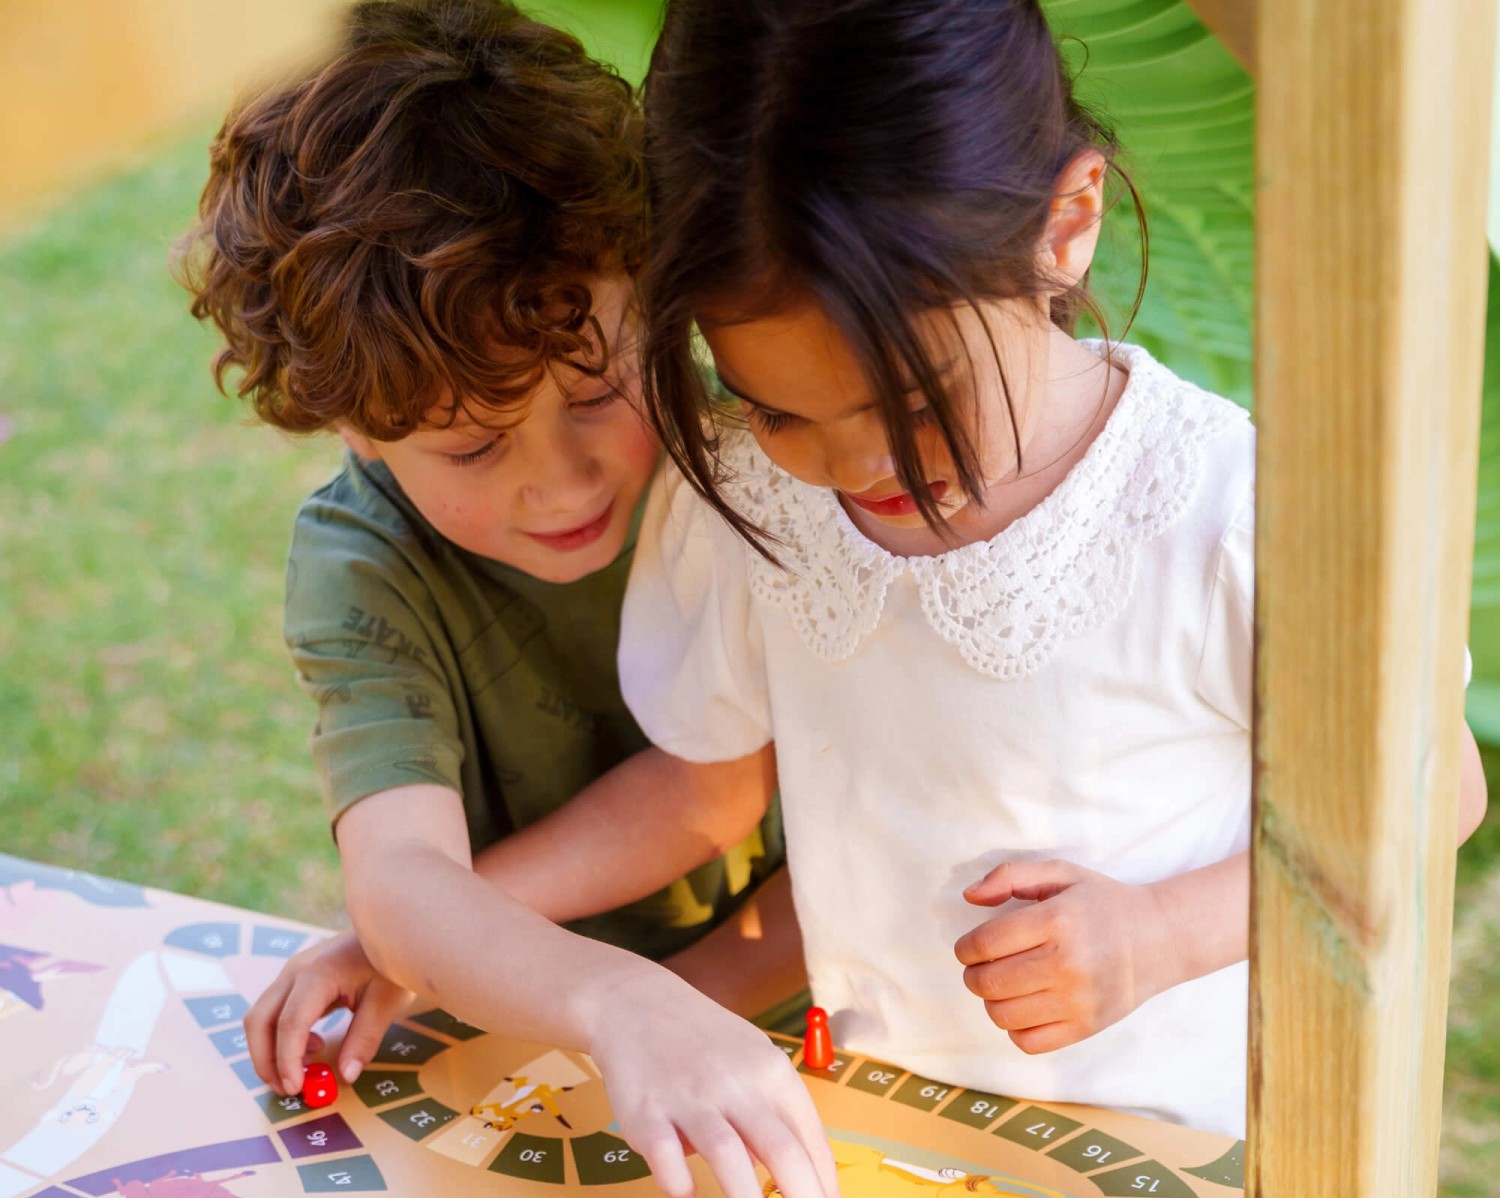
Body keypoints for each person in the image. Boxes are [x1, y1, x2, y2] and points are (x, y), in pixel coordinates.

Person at [499, 0, 1487, 1140]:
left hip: (1184, 1165)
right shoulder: (756, 493)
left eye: (915, 404)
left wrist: (1162, 932)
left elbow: (1430, 791)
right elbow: (699, 789)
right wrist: (445, 929)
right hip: (887, 1131)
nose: (855, 465)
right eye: (778, 408)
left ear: (1066, 225)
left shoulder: (1225, 512)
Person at [152, 4, 843, 1198]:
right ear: (346, 428)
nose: (561, 478)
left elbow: (731, 787)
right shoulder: (363, 563)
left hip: (810, 1056)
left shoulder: (766, 454)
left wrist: (612, 999)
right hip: (538, 1061)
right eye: (470, 447)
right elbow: (404, 878)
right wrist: (501, 975)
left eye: (599, 389)